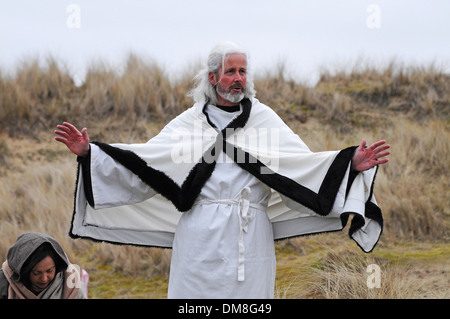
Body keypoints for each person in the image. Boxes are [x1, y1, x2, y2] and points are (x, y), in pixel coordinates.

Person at [54, 41, 390, 298]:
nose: (238, 79)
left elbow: (301, 169)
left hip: (251, 237)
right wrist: (90, 153)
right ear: (213, 77)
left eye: (243, 72)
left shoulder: (263, 120)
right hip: (197, 240)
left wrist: (349, 164)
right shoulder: (189, 123)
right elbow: (147, 163)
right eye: (231, 72)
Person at [0, 232, 86, 299]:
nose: (44, 279)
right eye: (36, 273)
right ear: (24, 270)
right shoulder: (4, 283)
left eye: (49, 271)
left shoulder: (72, 285)